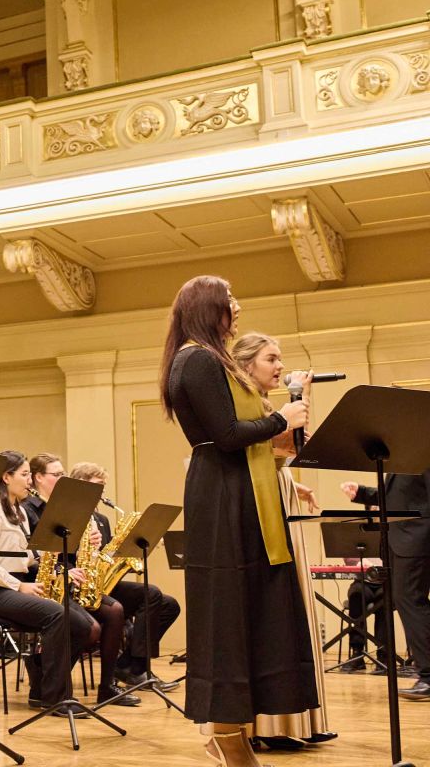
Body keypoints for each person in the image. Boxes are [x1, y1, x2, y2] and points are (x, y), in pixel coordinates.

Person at [160, 275, 318, 767]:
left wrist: (280, 427)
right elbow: (228, 435)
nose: (237, 307)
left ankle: (234, 733)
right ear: (210, 308)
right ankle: (226, 735)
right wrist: (282, 419)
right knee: (228, 615)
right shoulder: (197, 359)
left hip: (237, 491)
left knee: (251, 611)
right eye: (229, 300)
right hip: (223, 493)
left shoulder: (209, 359)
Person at [230, 333, 335, 748]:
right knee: (268, 613)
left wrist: (291, 481)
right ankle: (264, 726)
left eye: (280, 359)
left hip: (277, 498)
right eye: (271, 358)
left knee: (287, 612)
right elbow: (264, 450)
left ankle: (291, 722)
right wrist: (298, 400)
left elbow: (280, 454)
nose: (279, 366)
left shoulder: (265, 405)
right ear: (246, 364)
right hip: (257, 510)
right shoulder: (244, 405)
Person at [0, 451, 93, 710]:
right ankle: (55, 697)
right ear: (6, 477)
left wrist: (50, 560)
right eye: (24, 474)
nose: (29, 481)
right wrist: (20, 586)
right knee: (58, 615)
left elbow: (24, 557)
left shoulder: (20, 512)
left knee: (81, 624)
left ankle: (39, 677)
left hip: (14, 586)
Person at [20, 454, 138, 707]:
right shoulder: (28, 510)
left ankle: (107, 687)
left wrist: (92, 546)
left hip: (71, 579)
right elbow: (32, 554)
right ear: (39, 477)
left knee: (116, 610)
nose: (63, 479)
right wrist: (64, 569)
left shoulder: (66, 507)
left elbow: (70, 548)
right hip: (43, 581)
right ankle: (46, 675)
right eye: (57, 474)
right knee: (90, 628)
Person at [67, 462, 181, 693]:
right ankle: (135, 669)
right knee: (152, 594)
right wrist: (81, 550)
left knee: (170, 605)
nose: (102, 492)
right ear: (80, 485)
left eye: (103, 486)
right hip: (80, 587)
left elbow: (109, 555)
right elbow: (61, 556)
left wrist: (136, 545)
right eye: (97, 485)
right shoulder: (70, 515)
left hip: (103, 583)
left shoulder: (102, 519)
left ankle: (130, 664)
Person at [341, 466, 430, 700]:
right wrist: (362, 493)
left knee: (411, 601)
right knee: (408, 601)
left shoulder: (422, 454)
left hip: (416, 540)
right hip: (403, 541)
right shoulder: (404, 459)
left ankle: (429, 676)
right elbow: (397, 498)